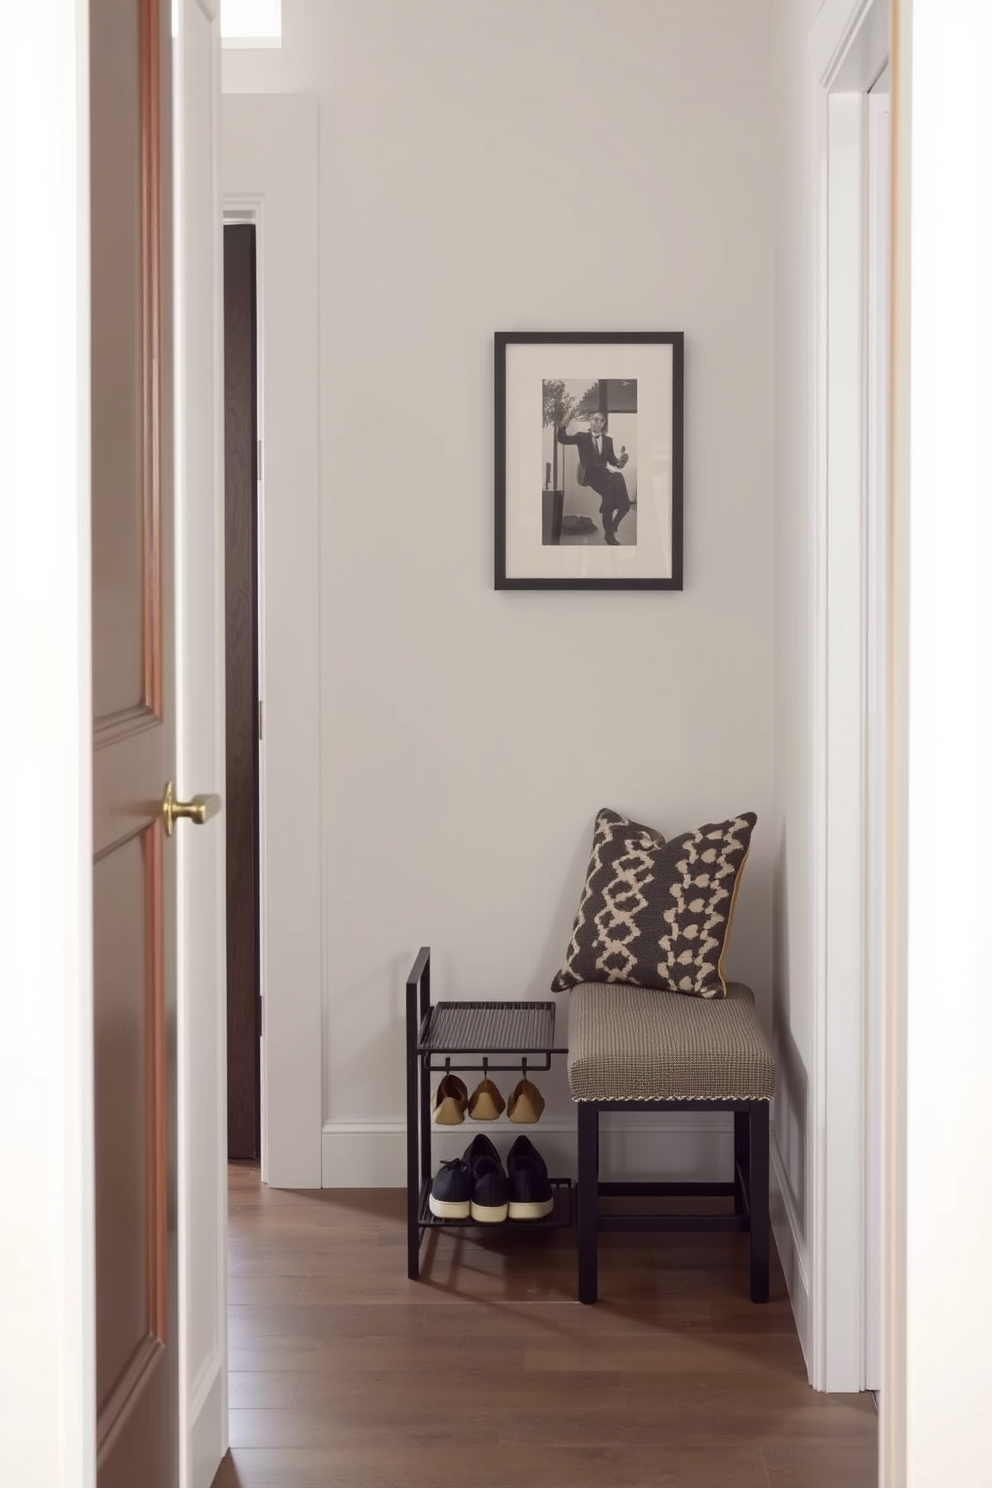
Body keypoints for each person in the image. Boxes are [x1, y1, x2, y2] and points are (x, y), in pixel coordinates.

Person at [556, 410, 631, 545]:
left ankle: (611, 527)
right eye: (592, 419)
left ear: (603, 423)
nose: (594, 422)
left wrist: (621, 461)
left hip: (603, 473)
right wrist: (563, 425)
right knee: (614, 484)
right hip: (590, 474)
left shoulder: (608, 440)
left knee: (615, 481)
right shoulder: (581, 437)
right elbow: (563, 439)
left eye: (597, 420)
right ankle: (621, 512)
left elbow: (613, 461)